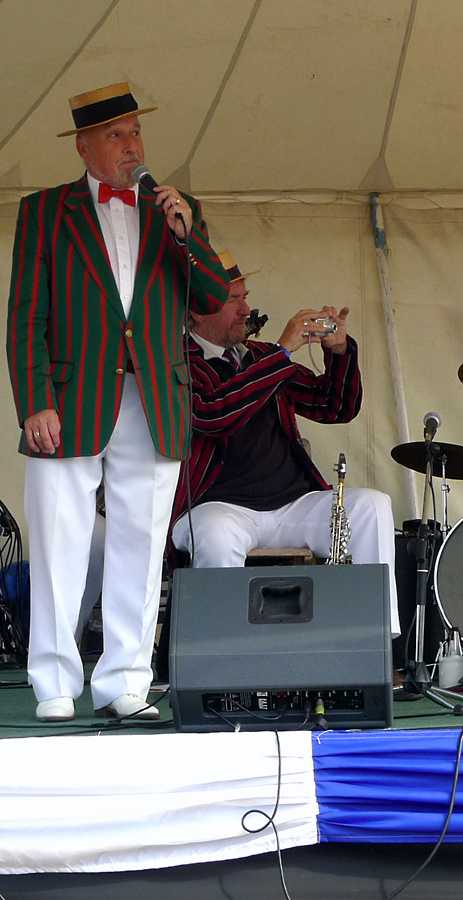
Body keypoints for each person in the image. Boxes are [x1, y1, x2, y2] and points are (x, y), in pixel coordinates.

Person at [6, 82, 229, 721]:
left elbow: (212, 298)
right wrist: (34, 400)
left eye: (136, 132)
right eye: (117, 135)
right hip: (70, 397)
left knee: (142, 537)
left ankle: (125, 680)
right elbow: (26, 316)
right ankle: (53, 681)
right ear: (85, 146)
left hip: (155, 394)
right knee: (59, 535)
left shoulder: (175, 210)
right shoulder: (45, 210)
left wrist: (185, 230)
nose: (132, 145)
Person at [169, 251, 398, 635]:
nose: (246, 309)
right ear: (196, 311)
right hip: (215, 505)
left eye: (245, 296)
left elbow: (334, 407)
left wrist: (339, 352)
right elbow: (213, 413)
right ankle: (220, 655)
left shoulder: (260, 357)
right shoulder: (178, 360)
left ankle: (378, 641)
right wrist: (282, 353)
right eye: (233, 299)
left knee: (371, 506)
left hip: (291, 503)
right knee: (214, 535)